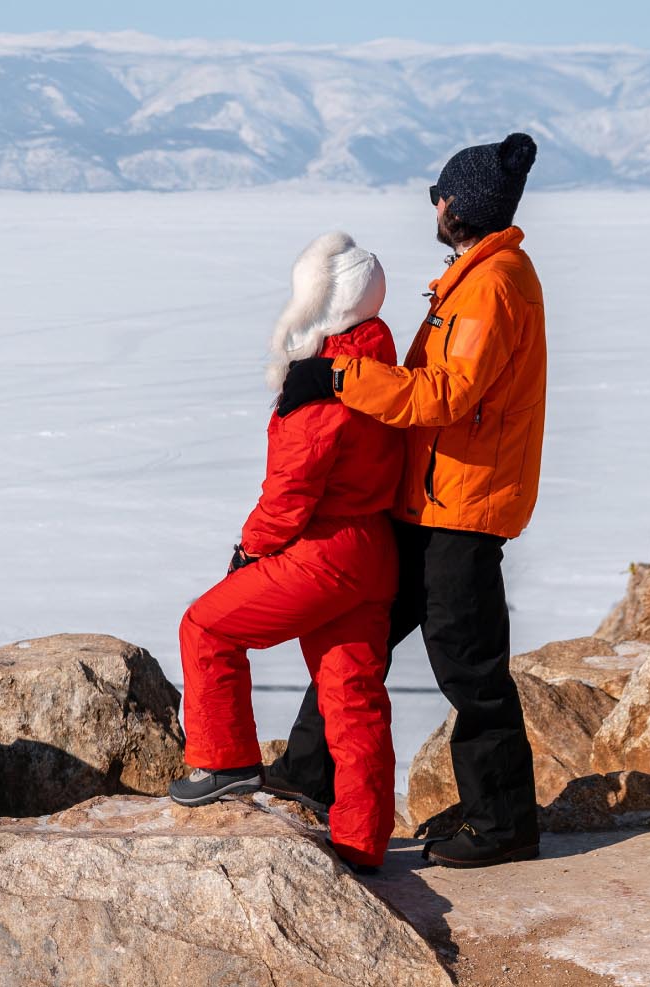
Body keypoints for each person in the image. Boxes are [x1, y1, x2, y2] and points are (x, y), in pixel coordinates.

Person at [267, 132, 546, 868]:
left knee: (469, 667)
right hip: (427, 502)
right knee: (357, 633)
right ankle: (305, 773)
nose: (435, 205)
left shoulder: (492, 286)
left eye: (439, 195)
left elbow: (446, 395)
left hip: (461, 508)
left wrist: (337, 379)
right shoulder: (472, 277)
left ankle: (504, 823)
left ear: (461, 206)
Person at [169, 231, 402, 874]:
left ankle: (224, 762)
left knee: (206, 627)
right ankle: (362, 840)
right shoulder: (382, 368)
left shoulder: (319, 387)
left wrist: (250, 551)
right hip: (374, 551)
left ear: (320, 305)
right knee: (353, 697)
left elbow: (290, 491)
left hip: (324, 551)